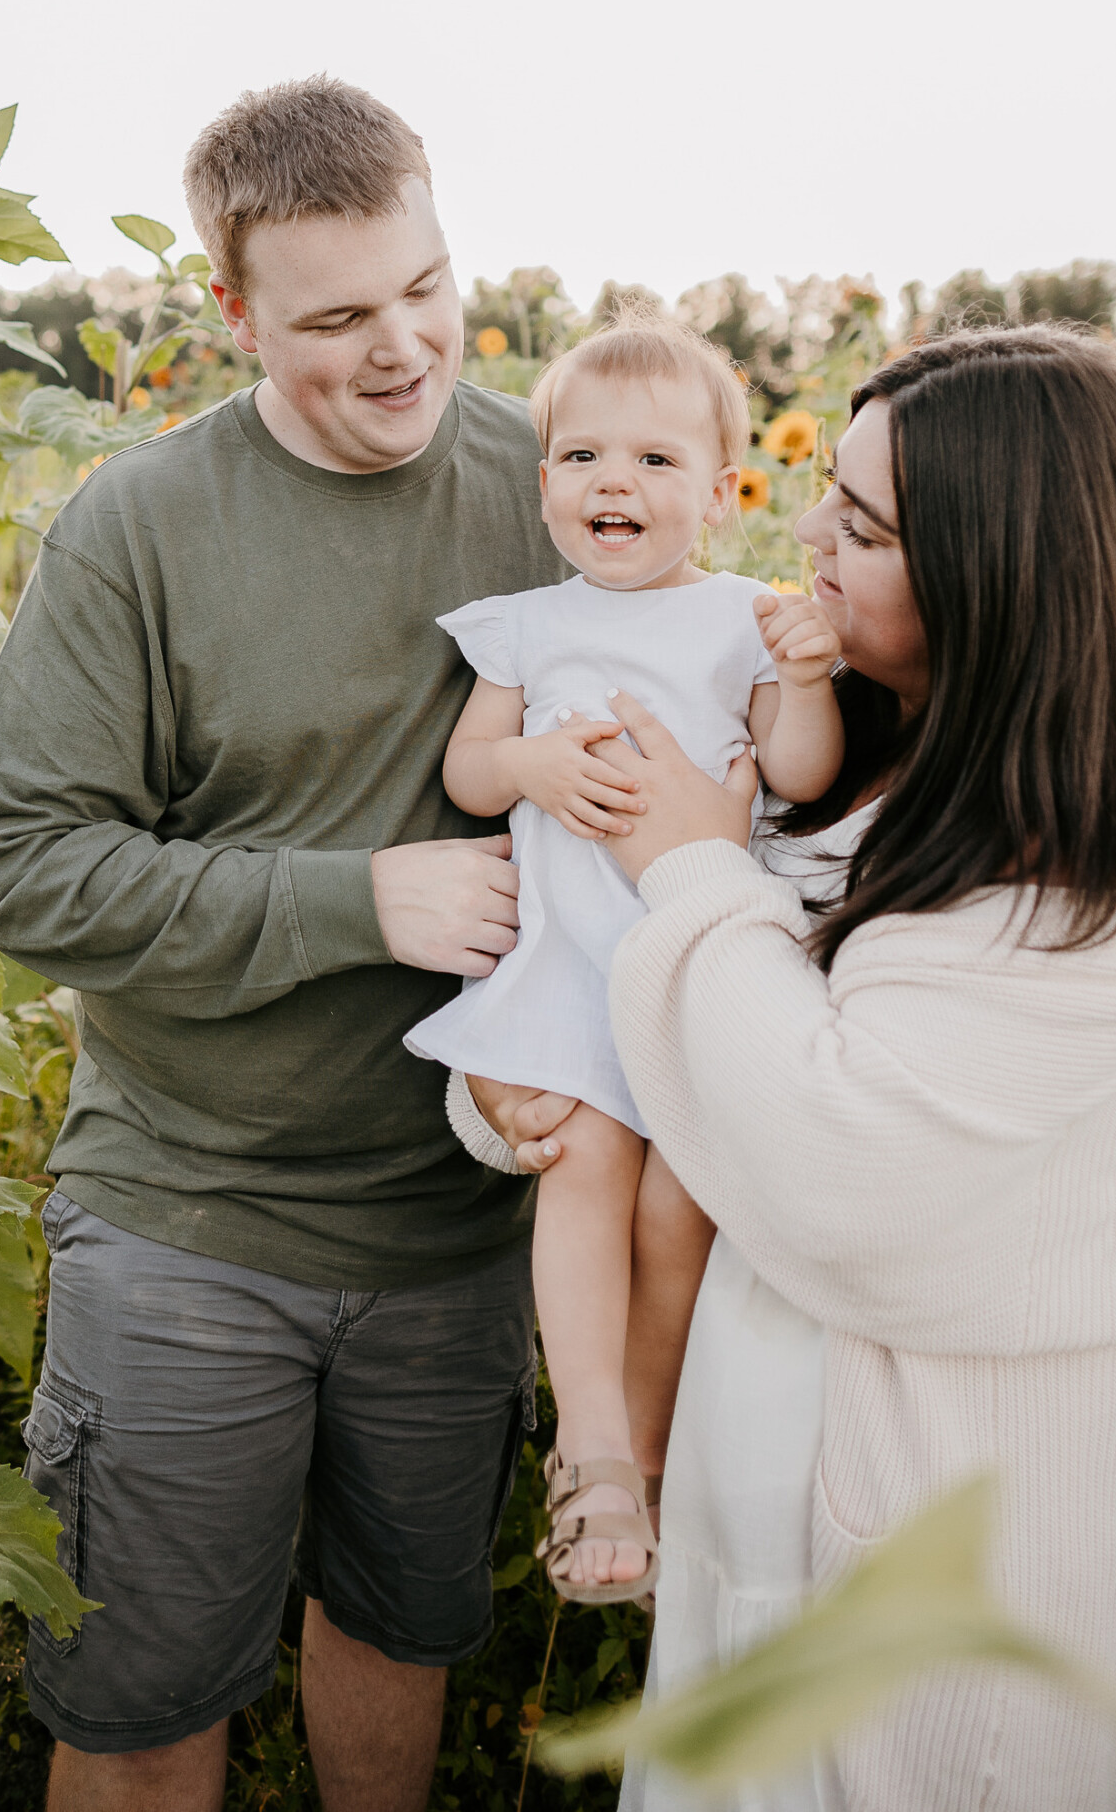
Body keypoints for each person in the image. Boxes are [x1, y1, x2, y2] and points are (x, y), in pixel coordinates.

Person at [465, 326, 1116, 1811]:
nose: (806, 531)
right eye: (827, 488)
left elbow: (830, 1157)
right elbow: (615, 976)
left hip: (962, 1502)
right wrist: (513, 1091)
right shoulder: (872, 741)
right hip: (772, 1463)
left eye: (864, 525)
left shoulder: (1104, 886)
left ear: (996, 575)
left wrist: (687, 864)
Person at [0, 73, 570, 1812]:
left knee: (398, 1641)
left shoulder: (553, 485)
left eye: (428, 289)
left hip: (458, 1232)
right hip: (191, 1221)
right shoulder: (138, 534)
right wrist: (356, 896)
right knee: (146, 1706)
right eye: (338, 319)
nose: (404, 350)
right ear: (231, 311)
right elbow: (20, 873)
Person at [405, 313, 843, 1603]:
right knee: (584, 1170)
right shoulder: (526, 627)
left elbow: (801, 778)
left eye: (656, 462)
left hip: (698, 961)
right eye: (583, 455)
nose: (614, 483)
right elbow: (469, 772)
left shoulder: (745, 619)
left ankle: (643, 1452)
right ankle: (590, 1440)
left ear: (720, 493)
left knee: (683, 1198)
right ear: (543, 482)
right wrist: (527, 763)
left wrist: (806, 679)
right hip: (570, 964)